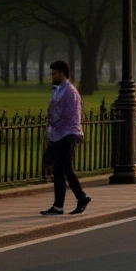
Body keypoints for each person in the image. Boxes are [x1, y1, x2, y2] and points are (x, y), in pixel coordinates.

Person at [40, 61, 90, 215]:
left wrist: (53, 117)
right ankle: (59, 205)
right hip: (59, 134)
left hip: (67, 133)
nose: (52, 76)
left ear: (63, 74)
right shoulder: (58, 90)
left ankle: (81, 197)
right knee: (59, 169)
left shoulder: (70, 92)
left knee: (65, 168)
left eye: (55, 73)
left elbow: (68, 115)